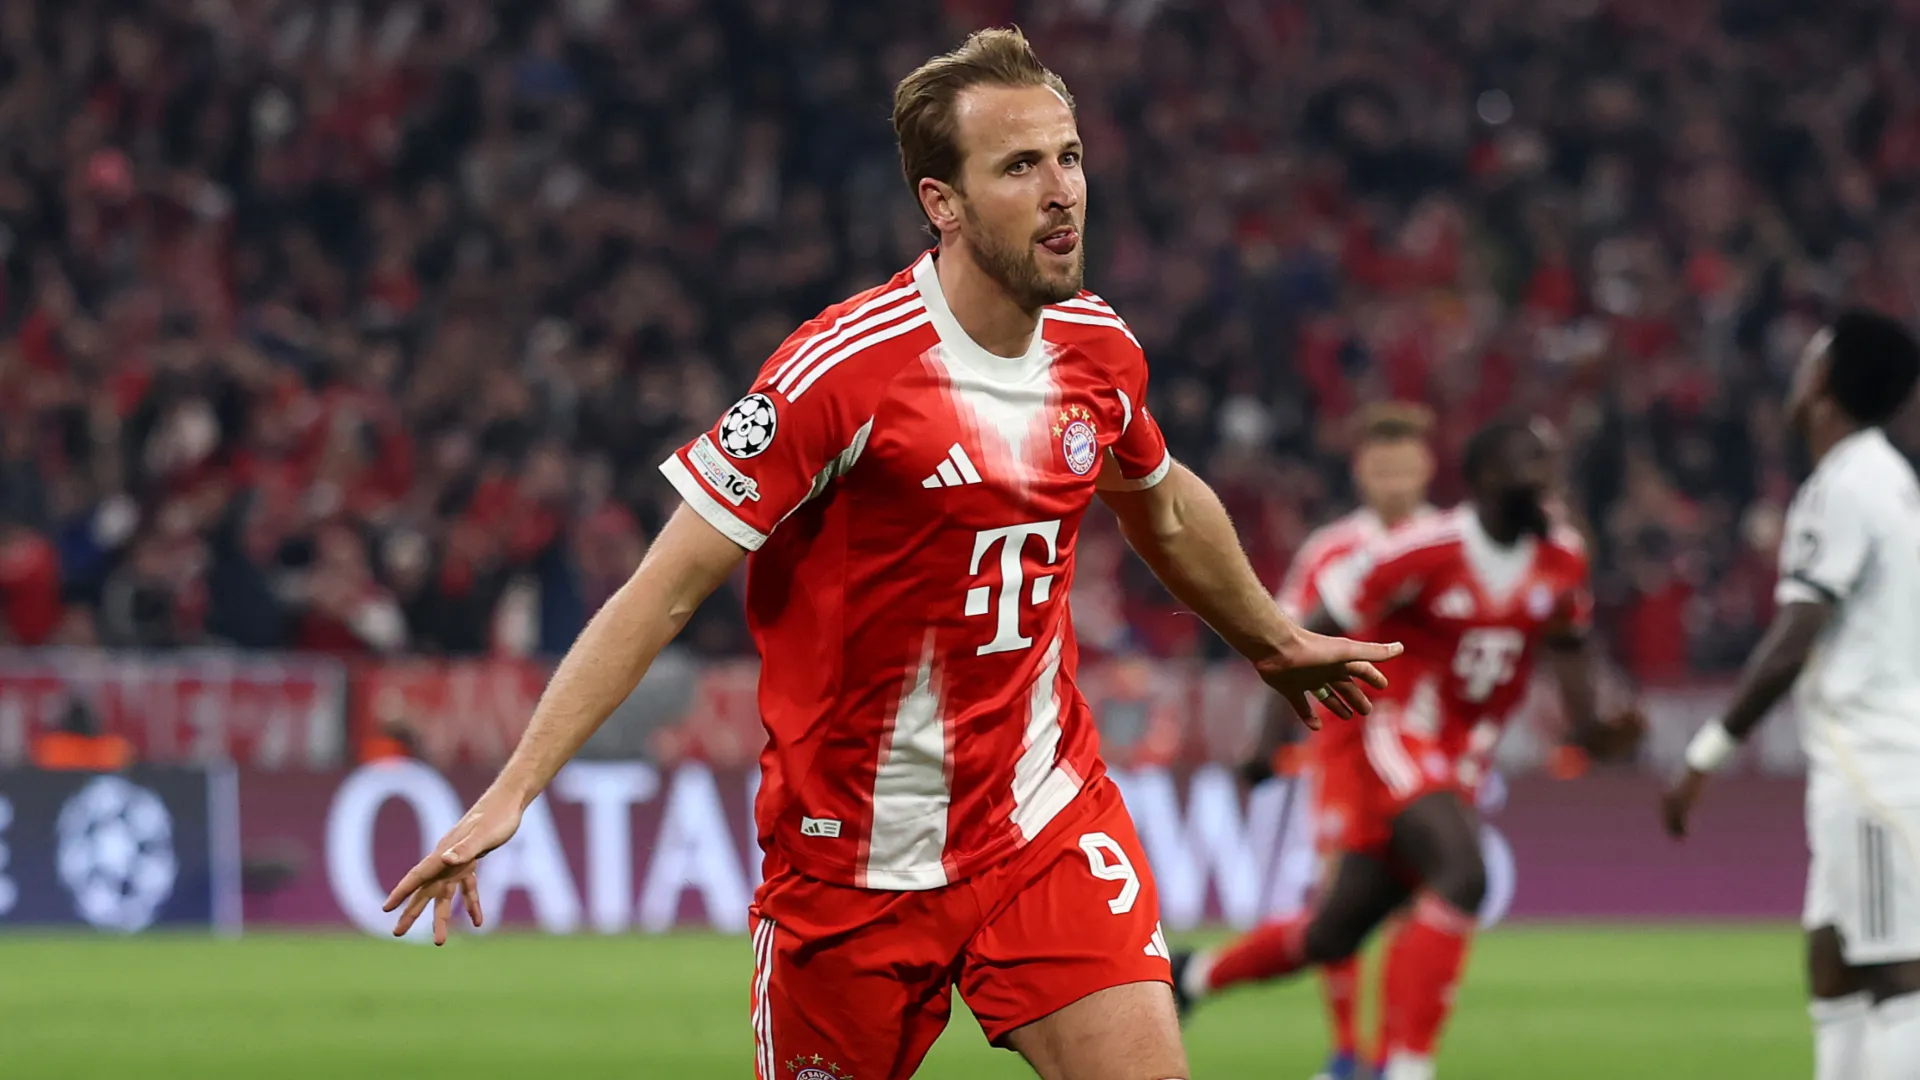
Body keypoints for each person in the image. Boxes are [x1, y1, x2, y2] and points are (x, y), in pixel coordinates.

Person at [379, 28, 1402, 1080]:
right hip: (849, 867)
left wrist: (1271, 640)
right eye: (1020, 166)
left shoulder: (1098, 347)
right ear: (941, 202)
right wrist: (514, 788)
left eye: (1069, 157)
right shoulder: (841, 375)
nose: (1062, 192)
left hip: (1039, 824)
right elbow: (663, 593)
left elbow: (1166, 505)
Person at [1175, 417, 1642, 1080]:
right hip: (1391, 734)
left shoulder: (1562, 557)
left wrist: (1596, 729)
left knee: (1334, 930)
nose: (1546, 480)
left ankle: (1194, 974)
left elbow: (1570, 649)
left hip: (1465, 755)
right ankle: (1397, 1066)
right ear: (1484, 478)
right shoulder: (1418, 549)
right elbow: (1308, 634)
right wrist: (1268, 742)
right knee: (1464, 873)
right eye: (1530, 464)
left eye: (1551, 465)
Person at [1662, 310, 1920, 1080]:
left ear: (1824, 382)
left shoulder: (1848, 484)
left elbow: (1794, 636)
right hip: (1859, 757)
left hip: (1875, 760)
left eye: (1811, 358)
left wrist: (1707, 753)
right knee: (1832, 957)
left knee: (1897, 969)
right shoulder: (1879, 477)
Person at [1247, 401, 1438, 1080]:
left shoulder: (1447, 545)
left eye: (1404, 469)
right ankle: (1347, 1053)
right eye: (1381, 469)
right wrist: (1267, 739)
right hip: (1343, 744)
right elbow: (1283, 640)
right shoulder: (1329, 550)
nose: (1393, 483)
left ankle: (1394, 1055)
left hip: (1422, 744)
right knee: (1341, 896)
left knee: (1416, 899)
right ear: (1361, 471)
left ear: (1427, 468)